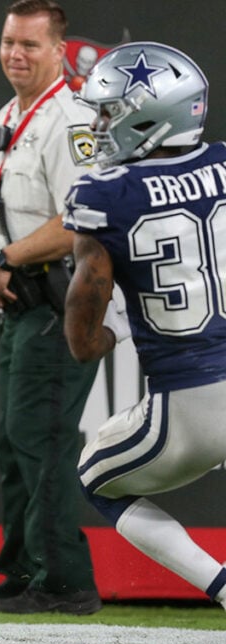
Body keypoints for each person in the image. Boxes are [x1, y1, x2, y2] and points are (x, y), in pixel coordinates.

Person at [63, 41, 226, 613]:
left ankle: (222, 586)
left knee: (96, 477)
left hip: (190, 402)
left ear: (148, 115)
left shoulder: (104, 196)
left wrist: (115, 332)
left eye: (109, 112)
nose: (99, 125)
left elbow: (81, 344)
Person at [0, 0, 102, 615]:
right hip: (23, 300)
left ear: (58, 51)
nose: (15, 55)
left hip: (63, 297)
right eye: (7, 42)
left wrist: (7, 258)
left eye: (29, 45)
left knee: (40, 436)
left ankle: (64, 580)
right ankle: (24, 572)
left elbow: (79, 219)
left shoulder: (69, 118)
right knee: (13, 440)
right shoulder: (6, 117)